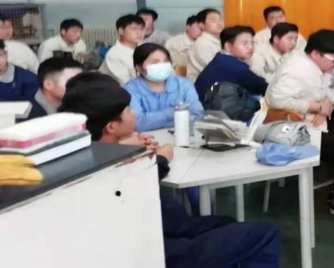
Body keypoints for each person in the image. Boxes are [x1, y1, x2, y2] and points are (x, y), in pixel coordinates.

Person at [59, 72, 281, 268]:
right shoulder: (111, 168)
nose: (133, 113)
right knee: (264, 234)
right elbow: (134, 183)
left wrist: (126, 147)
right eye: (128, 110)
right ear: (111, 126)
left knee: (225, 223)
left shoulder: (83, 155)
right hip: (163, 249)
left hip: (157, 234)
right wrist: (160, 158)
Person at [266, 30, 334, 223]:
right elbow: (276, 100)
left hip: (314, 121)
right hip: (292, 129)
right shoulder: (297, 69)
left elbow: (326, 92)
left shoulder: (319, 65)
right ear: (316, 53)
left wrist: (323, 107)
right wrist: (316, 107)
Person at [124, 43, 203, 132]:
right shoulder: (130, 89)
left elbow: (198, 114)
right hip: (147, 138)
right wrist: (172, 113)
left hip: (182, 134)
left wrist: (155, 122)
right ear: (139, 67)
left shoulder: (183, 84)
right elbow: (137, 124)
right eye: (155, 62)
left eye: (165, 61)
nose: (162, 65)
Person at [195, 26, 268, 102]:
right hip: (212, 107)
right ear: (228, 46)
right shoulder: (231, 66)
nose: (250, 47)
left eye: (252, 43)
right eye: (244, 43)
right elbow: (262, 87)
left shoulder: (221, 58)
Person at [99, 14, 145, 86]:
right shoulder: (114, 55)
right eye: (134, 29)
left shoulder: (144, 47)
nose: (139, 32)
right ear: (121, 31)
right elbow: (127, 85)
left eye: (142, 29)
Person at [187, 8, 225, 82]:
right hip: (205, 86)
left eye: (220, 20)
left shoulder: (219, 41)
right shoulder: (202, 44)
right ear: (201, 25)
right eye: (213, 21)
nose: (219, 23)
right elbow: (218, 69)